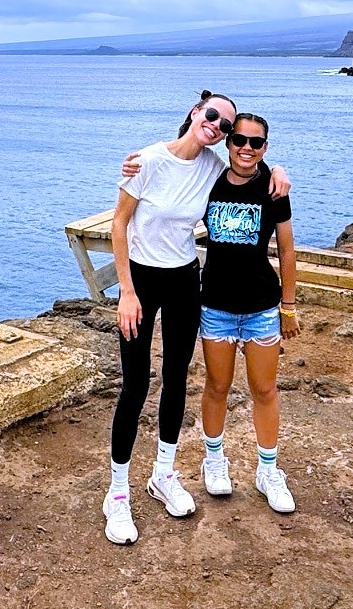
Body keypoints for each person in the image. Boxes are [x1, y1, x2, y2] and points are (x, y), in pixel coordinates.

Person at [103, 91, 289, 545]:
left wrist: (279, 170)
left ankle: (163, 474)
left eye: (225, 125)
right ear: (194, 112)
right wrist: (126, 291)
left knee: (176, 378)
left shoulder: (212, 166)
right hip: (142, 280)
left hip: (185, 279)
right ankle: (118, 492)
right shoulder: (148, 160)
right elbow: (119, 224)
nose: (218, 127)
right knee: (135, 385)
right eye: (213, 116)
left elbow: (249, 167)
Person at [197, 112, 298, 514]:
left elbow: (287, 249)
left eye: (255, 143)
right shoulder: (209, 181)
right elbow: (176, 165)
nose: (246, 148)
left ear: (265, 148)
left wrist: (288, 306)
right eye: (239, 140)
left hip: (261, 308)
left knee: (265, 389)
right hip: (216, 306)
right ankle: (214, 460)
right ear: (228, 142)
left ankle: (268, 471)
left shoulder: (274, 188)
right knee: (216, 386)